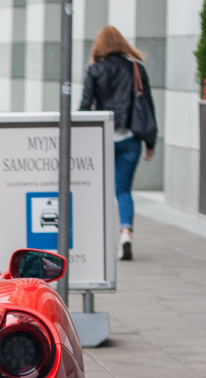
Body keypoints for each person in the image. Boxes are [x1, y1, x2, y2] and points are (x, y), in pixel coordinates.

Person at [79, 26, 157, 261]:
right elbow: (148, 107)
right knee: (123, 190)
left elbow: (85, 106)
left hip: (101, 140)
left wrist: (79, 139)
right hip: (130, 139)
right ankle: (125, 233)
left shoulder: (95, 70)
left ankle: (96, 240)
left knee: (96, 191)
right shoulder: (136, 68)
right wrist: (150, 141)